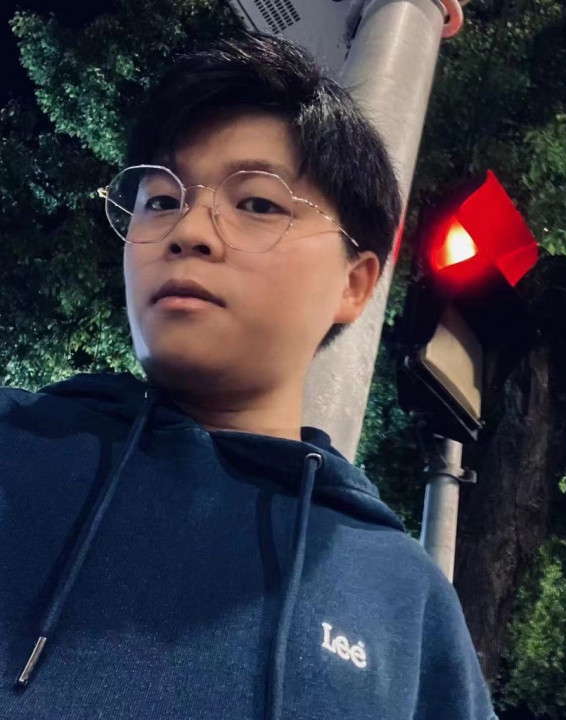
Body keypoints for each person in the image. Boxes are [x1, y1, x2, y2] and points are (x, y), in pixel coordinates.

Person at [0, 31, 498, 719]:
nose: (189, 231)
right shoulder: (16, 447)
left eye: (258, 203)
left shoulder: (405, 604)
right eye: (160, 199)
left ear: (355, 284)